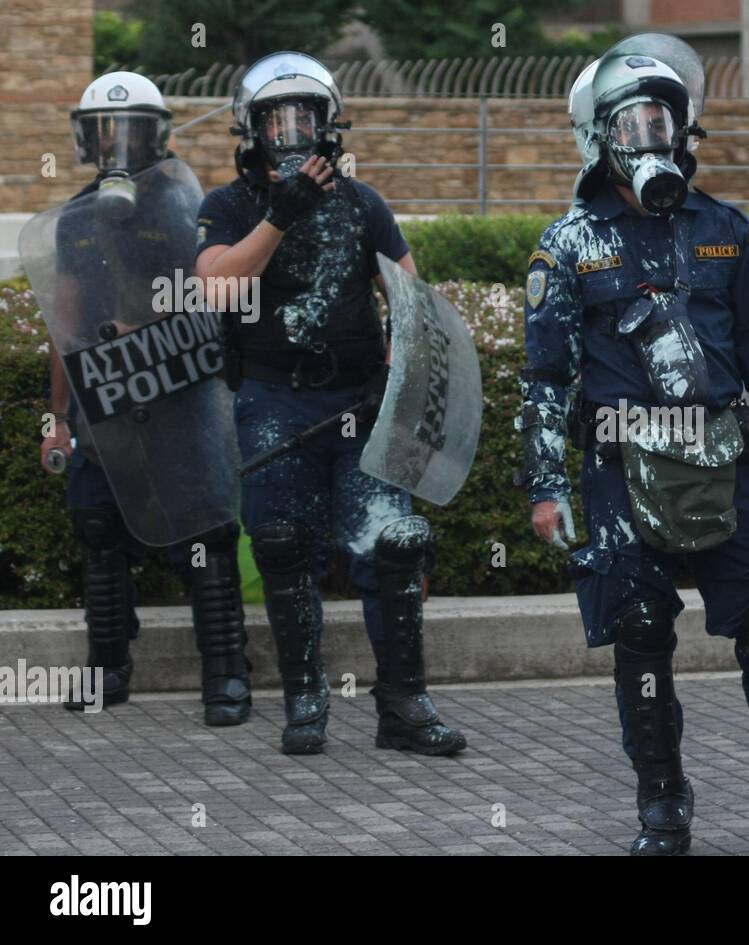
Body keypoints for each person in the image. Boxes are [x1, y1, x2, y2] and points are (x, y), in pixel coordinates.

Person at [517, 38, 749, 856]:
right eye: (634, 121)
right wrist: (545, 486)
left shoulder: (725, 230)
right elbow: (546, 379)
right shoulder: (569, 244)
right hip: (621, 467)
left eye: (665, 118)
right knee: (643, 629)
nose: (653, 135)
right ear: (600, 138)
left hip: (723, 461)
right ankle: (663, 810)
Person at [194, 51, 464, 757]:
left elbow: (411, 304)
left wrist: (391, 375)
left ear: (330, 126)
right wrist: (280, 218)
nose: (293, 134)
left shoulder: (364, 202)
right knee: (284, 545)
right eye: (276, 121)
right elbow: (217, 287)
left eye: (306, 119)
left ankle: (403, 705)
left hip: (359, 406)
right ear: (249, 131)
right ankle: (306, 700)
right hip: (275, 400)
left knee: (396, 546)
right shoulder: (228, 206)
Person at [40, 71, 250, 725]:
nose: (116, 143)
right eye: (105, 129)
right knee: (98, 526)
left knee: (207, 530)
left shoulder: (188, 208)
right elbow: (65, 323)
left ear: (156, 133)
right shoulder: (76, 218)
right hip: (104, 403)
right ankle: (108, 670)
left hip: (180, 398)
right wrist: (57, 417)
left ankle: (225, 675)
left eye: (128, 128)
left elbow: (213, 301)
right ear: (87, 137)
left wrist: (150, 329)